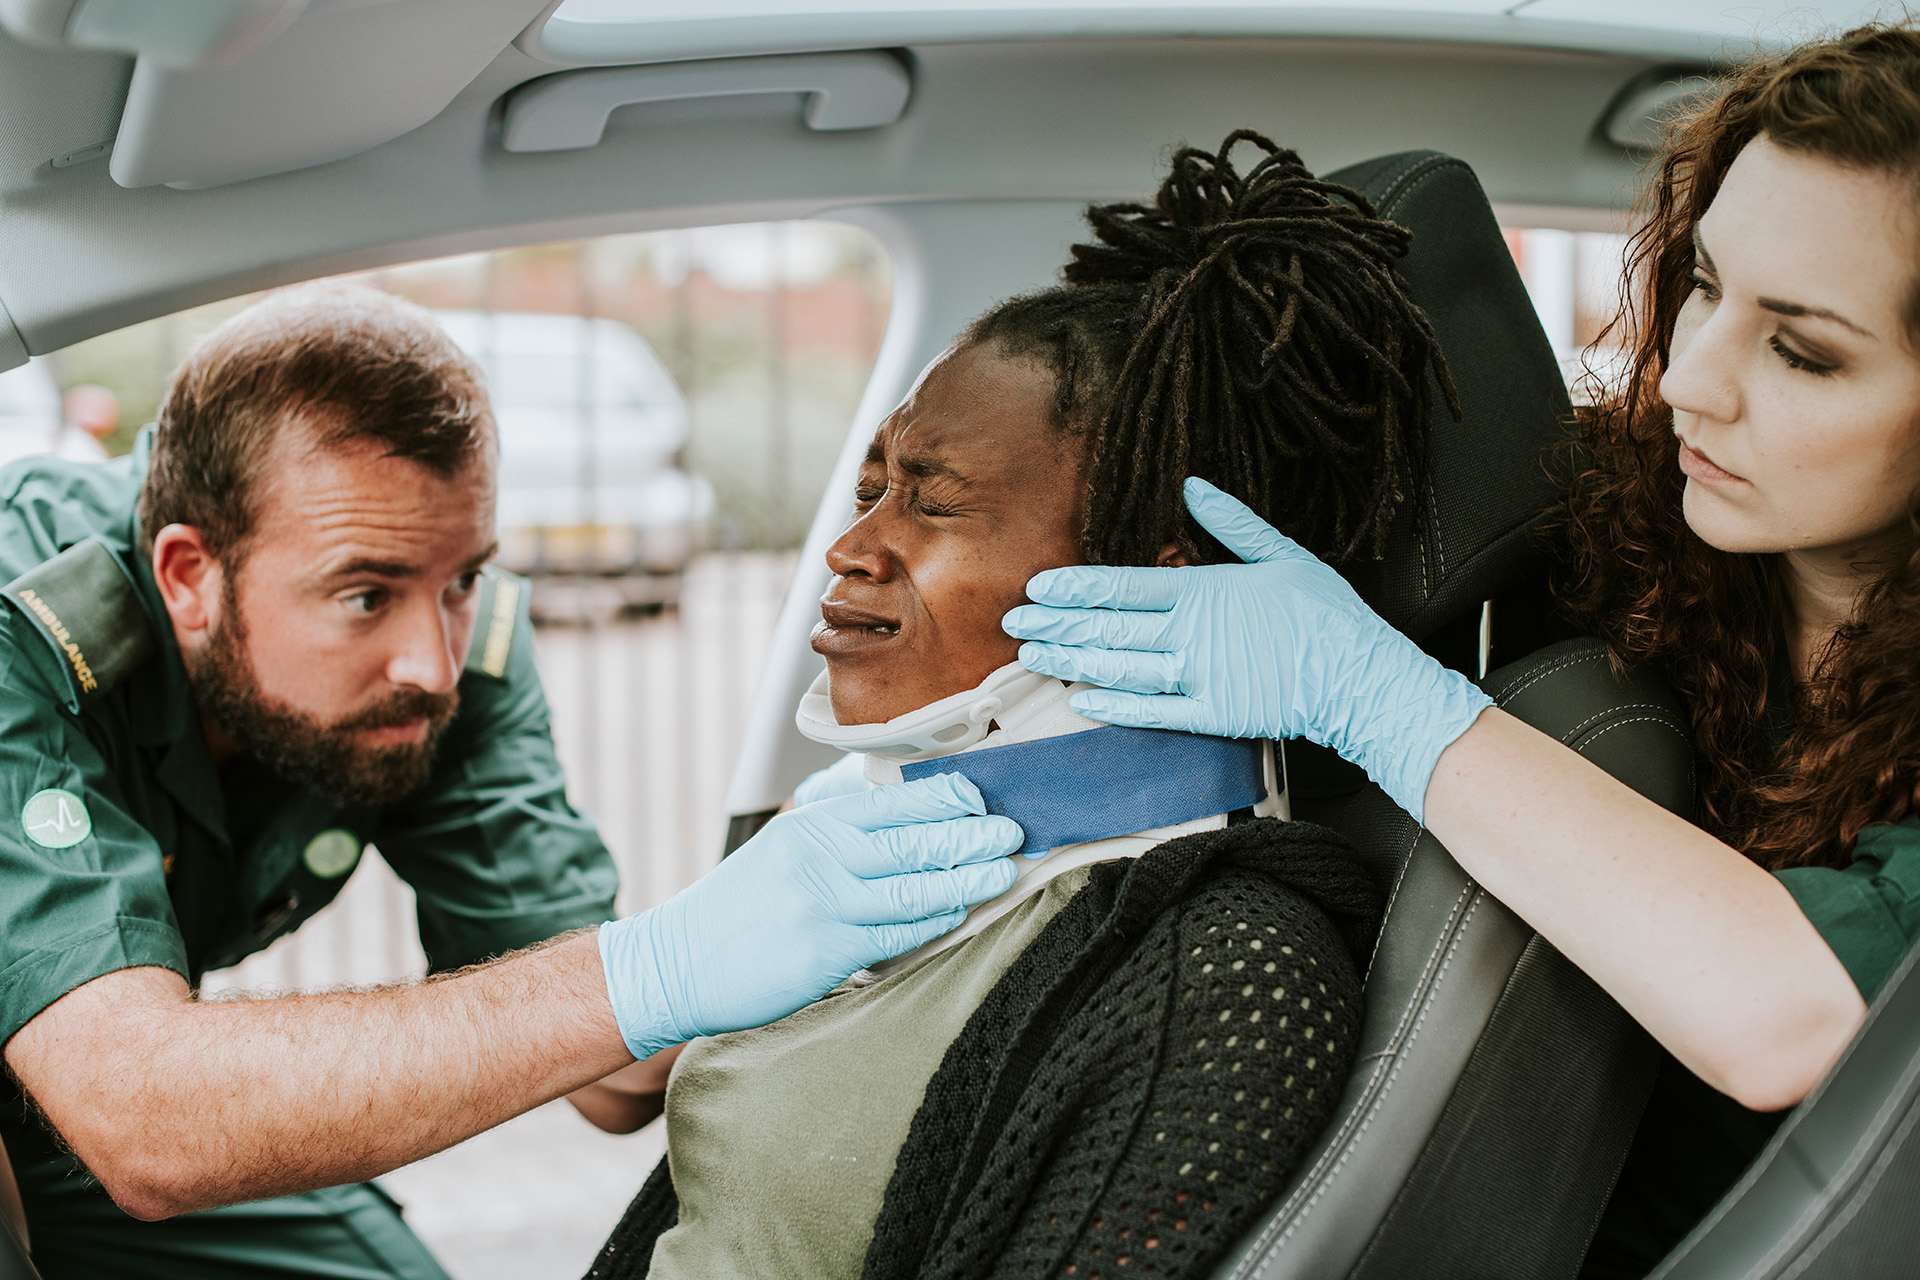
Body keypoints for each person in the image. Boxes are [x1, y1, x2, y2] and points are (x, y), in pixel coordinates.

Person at [1000, 21, 1920, 1277]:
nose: (1687, 379)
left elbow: (1796, 1015)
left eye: (1803, 350)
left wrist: (1378, 695)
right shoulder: (1603, 524)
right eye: (1703, 283)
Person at [0, 285, 1025, 1279]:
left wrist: (773, 916)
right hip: (106, 1101)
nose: (432, 663)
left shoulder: (449, 647)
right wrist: (650, 967)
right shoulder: (22, 630)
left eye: (462, 579)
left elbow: (616, 1071)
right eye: (364, 595)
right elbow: (146, 1116)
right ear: (189, 575)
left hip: (96, 1115)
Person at [586, 131, 1449, 1280]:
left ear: (1150, 571)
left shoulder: (1226, 967)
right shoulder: (848, 824)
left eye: (931, 505)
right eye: (869, 490)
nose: (852, 545)